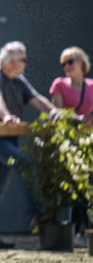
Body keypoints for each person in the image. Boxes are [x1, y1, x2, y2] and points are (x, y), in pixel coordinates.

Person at [0, 41, 60, 249]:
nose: (25, 63)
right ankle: (38, 216)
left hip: (10, 140)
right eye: (23, 59)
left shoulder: (18, 81)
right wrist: (6, 116)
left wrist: (54, 112)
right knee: (24, 163)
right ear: (11, 62)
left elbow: (37, 99)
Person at [48, 46, 93, 240]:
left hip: (89, 142)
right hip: (69, 143)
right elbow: (58, 113)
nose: (66, 66)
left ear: (81, 63)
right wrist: (79, 119)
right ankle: (79, 230)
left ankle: (81, 230)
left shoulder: (91, 85)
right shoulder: (59, 85)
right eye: (63, 63)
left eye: (70, 62)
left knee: (86, 184)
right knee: (77, 185)